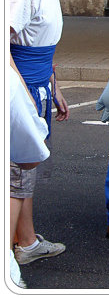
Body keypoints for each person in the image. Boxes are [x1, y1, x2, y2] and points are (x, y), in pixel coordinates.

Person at [10, 0, 74, 264]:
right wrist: (21, 93)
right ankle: (10, 257)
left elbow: (42, 49)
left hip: (38, 89)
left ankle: (27, 242)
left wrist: (55, 87)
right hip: (23, 94)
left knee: (24, 169)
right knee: (19, 171)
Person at [9, 58, 50, 288]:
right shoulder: (11, 85)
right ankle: (25, 243)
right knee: (15, 183)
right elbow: (29, 160)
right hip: (22, 90)